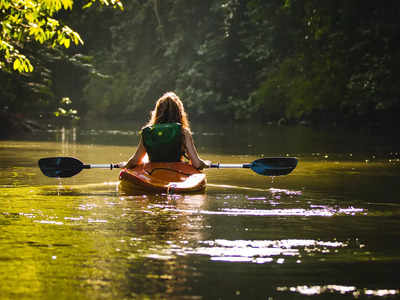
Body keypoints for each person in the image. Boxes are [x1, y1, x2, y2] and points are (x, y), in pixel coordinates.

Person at [120, 92, 209, 170]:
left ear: (158, 112)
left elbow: (135, 160)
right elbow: (197, 164)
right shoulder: (183, 133)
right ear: (179, 112)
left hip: (153, 174)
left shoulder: (149, 132)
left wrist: (125, 165)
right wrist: (205, 164)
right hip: (176, 174)